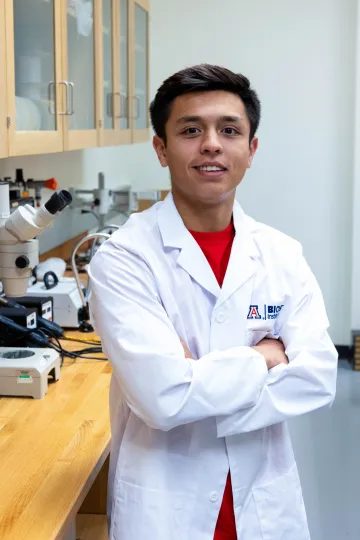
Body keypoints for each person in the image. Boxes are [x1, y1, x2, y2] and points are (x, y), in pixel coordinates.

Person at [88, 64, 338, 540]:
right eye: (190, 130)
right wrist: (265, 357)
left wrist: (193, 381)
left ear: (251, 149)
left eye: (229, 130)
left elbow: (318, 376)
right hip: (165, 509)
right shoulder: (124, 258)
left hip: (263, 504)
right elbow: (162, 400)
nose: (211, 144)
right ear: (161, 149)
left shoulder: (281, 254)